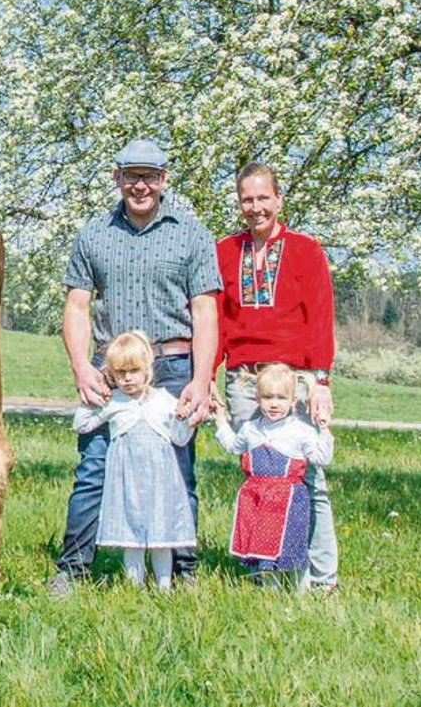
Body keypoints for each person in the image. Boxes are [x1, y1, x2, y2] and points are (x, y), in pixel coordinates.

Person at [50, 139, 221, 595]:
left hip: (171, 366)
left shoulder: (191, 234)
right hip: (113, 370)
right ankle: (73, 568)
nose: (140, 185)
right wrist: (82, 368)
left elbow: (205, 311)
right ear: (117, 178)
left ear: (164, 180)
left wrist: (202, 380)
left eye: (149, 176)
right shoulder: (94, 234)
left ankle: (184, 571)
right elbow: (77, 306)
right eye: (131, 176)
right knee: (93, 468)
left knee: (178, 470)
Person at [214, 160, 339, 589]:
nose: (255, 207)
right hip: (245, 380)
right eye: (247, 199)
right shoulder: (226, 252)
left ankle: (322, 578)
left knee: (307, 478)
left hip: (295, 378)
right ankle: (266, 567)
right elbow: (218, 320)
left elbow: (320, 317)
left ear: (278, 199)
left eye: (263, 197)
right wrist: (207, 377)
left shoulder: (306, 249)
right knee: (260, 476)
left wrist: (320, 381)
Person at [74, 331, 196, 590]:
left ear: (147, 369)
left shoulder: (163, 400)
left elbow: (180, 438)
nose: (128, 379)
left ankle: (165, 586)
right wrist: (92, 401)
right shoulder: (115, 402)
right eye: (120, 373)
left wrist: (183, 418)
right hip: (127, 479)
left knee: (161, 532)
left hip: (160, 481)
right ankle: (134, 587)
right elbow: (83, 425)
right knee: (131, 534)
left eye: (133, 371)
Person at [209, 363, 334, 589]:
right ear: (257, 399)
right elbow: (232, 446)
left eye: (281, 398)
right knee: (262, 546)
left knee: (294, 548)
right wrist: (219, 418)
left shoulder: (300, 431)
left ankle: (302, 594)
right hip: (258, 501)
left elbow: (321, 458)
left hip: (289, 503)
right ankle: (270, 594)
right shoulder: (250, 429)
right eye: (267, 397)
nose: (274, 404)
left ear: (293, 401)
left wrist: (325, 430)